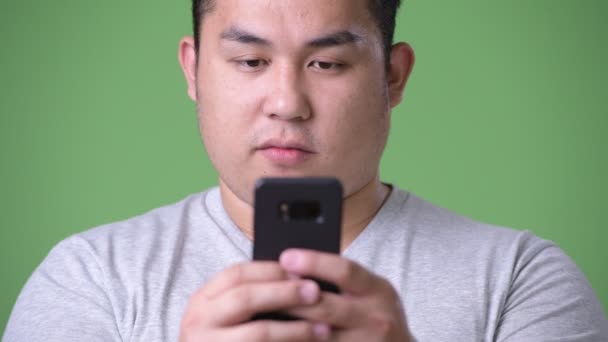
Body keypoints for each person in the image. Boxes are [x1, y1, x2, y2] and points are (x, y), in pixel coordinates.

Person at [4, 0, 607, 341]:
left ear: (391, 77)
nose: (287, 101)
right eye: (249, 60)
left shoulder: (520, 281)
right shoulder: (89, 280)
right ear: (193, 72)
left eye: (326, 62)